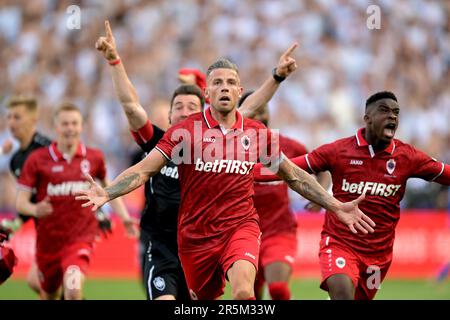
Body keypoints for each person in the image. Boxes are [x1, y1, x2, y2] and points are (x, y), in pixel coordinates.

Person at [76, 53, 375, 301]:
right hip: (194, 238)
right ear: (207, 93)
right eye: (217, 82)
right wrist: (108, 192)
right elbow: (144, 169)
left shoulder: (257, 134)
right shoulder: (185, 132)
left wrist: (335, 205)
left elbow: (294, 176)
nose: (224, 87)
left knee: (244, 292)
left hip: (240, 227)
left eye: (231, 83)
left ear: (238, 90)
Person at [95, 20, 302, 300]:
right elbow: (131, 107)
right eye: (177, 107)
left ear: (200, 111)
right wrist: (114, 61)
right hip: (165, 244)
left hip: (206, 237)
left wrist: (276, 76)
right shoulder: (157, 141)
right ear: (169, 116)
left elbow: (249, 108)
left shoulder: (213, 137)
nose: (184, 112)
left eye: (191, 107)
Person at [252, 91, 450, 299]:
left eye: (396, 112)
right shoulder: (339, 151)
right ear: (367, 118)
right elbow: (290, 168)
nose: (392, 116)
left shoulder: (408, 157)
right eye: (384, 111)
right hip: (339, 242)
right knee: (342, 292)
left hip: (378, 255)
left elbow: (444, 173)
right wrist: (244, 170)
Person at [15, 102, 138, 300]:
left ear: (81, 126)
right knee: (49, 295)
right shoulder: (38, 160)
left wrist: (124, 217)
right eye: (65, 124)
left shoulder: (94, 158)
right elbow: (20, 203)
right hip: (48, 244)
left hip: (79, 239)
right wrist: (36, 209)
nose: (70, 128)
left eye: (74, 123)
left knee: (72, 290)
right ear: (56, 127)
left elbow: (109, 191)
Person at [1, 96, 115, 296]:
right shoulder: (17, 159)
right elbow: (29, 202)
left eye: (17, 117)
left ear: (33, 120)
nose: (11, 122)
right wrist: (16, 224)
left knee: (69, 287)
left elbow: (79, 185)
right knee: (38, 284)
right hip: (47, 236)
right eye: (9, 117)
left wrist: (101, 214)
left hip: (73, 234)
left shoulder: (47, 150)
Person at [237, 91, 330, 300]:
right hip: (243, 234)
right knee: (248, 297)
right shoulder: (230, 149)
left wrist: (318, 197)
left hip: (279, 230)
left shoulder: (287, 146)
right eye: (255, 113)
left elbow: (321, 168)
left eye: (264, 112)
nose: (260, 118)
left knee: (278, 289)